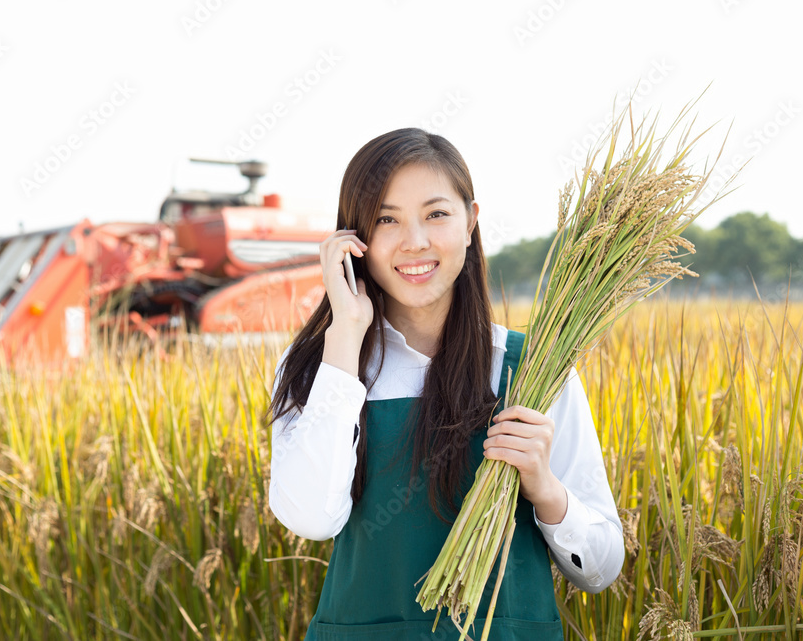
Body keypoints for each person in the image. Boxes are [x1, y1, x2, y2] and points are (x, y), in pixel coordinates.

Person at [263, 128, 624, 640]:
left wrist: (545, 489)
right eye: (386, 219)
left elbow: (602, 568)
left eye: (436, 214)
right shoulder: (319, 369)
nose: (414, 241)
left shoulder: (533, 368)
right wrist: (345, 333)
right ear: (352, 239)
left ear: (471, 222)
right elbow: (311, 519)